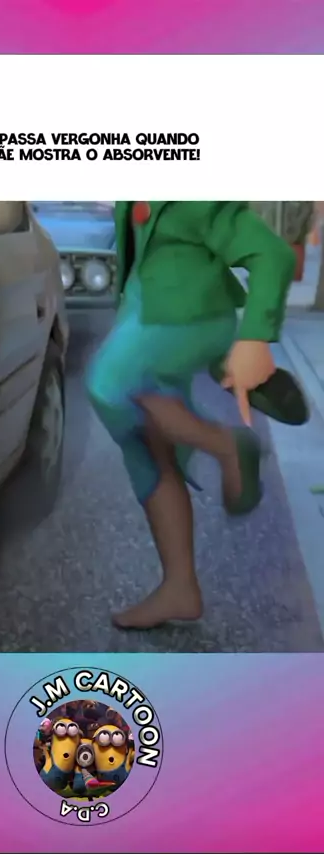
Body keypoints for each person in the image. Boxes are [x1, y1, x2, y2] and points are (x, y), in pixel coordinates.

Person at [87, 201, 296, 630]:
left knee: (110, 387)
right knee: (146, 452)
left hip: (185, 321)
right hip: (146, 316)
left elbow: (272, 253)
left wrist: (255, 338)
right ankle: (179, 587)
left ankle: (226, 445)